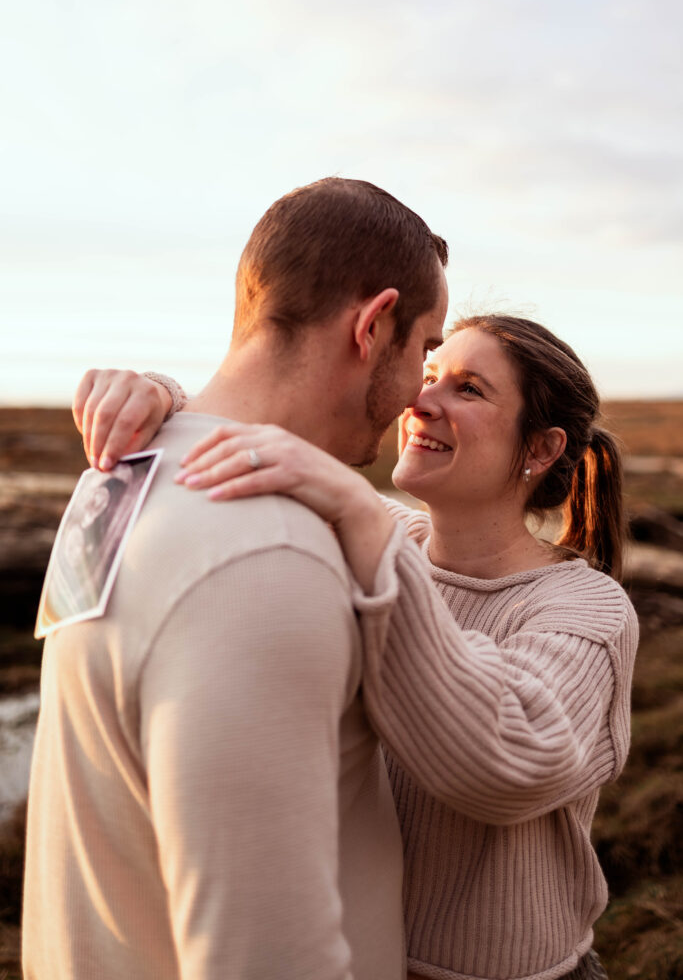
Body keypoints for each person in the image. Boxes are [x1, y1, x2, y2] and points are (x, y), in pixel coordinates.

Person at [79, 314, 638, 980]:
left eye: (468, 389)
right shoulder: (384, 535)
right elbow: (258, 420)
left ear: (540, 449)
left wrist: (362, 516)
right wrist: (161, 400)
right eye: (428, 375)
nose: (420, 400)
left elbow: (507, 767)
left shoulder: (584, 611)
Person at [22, 176, 450, 980]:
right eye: (425, 347)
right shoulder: (266, 556)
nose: (421, 387)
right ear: (373, 324)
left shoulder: (119, 478)